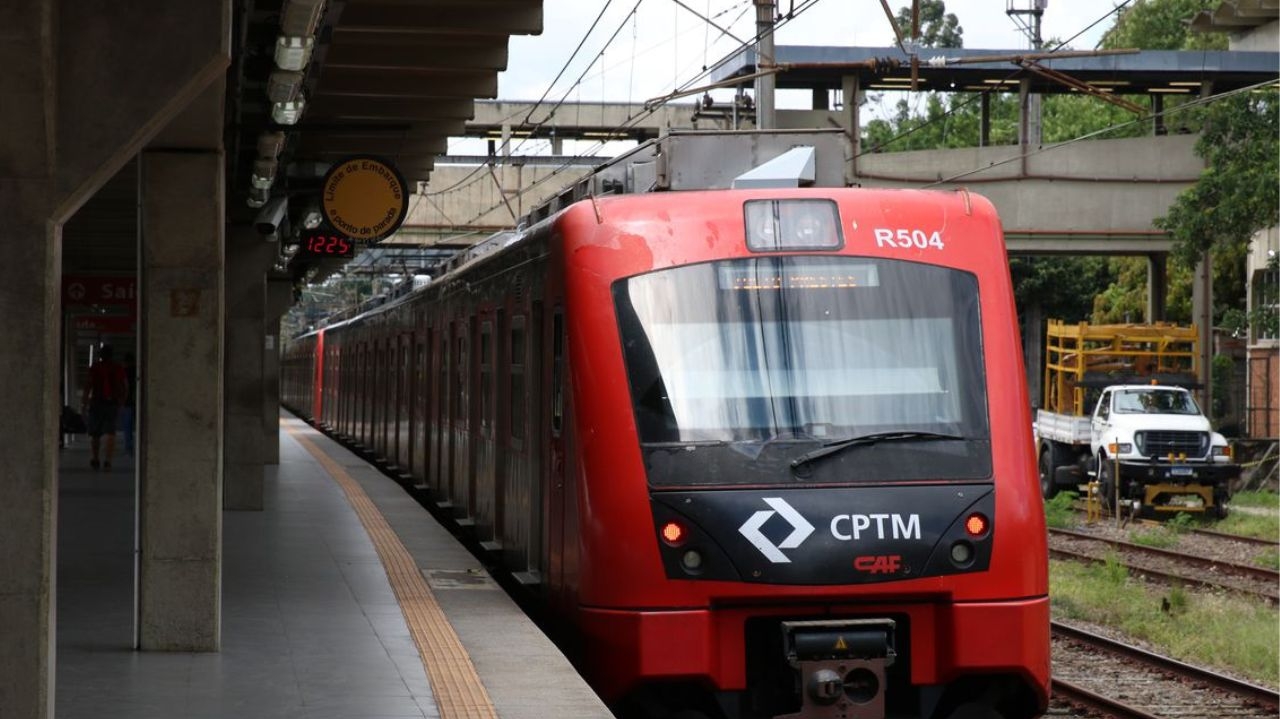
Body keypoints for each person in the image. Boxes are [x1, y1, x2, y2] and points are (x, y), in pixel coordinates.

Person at [81, 344, 127, 470]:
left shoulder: (95, 367)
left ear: (100, 355)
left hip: (97, 402)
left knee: (95, 433)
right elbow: (124, 386)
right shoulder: (118, 368)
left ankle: (95, 458)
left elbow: (88, 386)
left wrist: (84, 404)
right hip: (112, 403)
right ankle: (108, 461)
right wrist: (121, 402)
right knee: (111, 433)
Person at [121, 352, 137, 455]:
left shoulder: (124, 372)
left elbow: (125, 387)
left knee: (128, 426)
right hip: (137, 401)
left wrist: (122, 400)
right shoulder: (138, 370)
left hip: (128, 402)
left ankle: (129, 447)